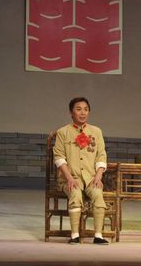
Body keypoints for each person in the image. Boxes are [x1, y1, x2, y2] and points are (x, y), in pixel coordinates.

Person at [53, 97, 109, 245]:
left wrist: (98, 176)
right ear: (71, 112)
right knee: (75, 194)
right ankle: (75, 235)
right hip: (70, 178)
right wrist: (69, 178)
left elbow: (101, 155)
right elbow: (59, 158)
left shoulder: (96, 131)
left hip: (91, 178)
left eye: (85, 109)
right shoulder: (63, 132)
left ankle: (98, 235)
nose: (82, 113)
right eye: (78, 109)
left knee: (98, 195)